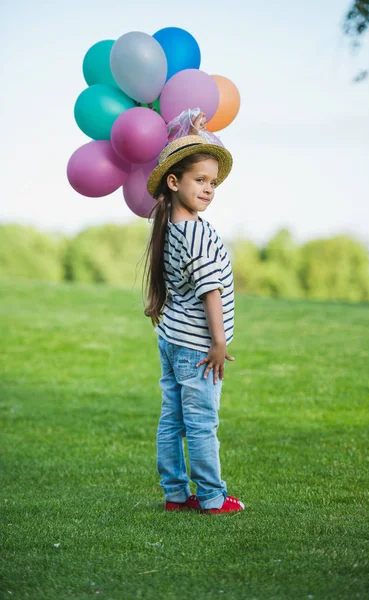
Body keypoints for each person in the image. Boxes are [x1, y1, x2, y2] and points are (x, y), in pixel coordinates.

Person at [142, 119, 245, 514]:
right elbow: (210, 290)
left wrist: (194, 131)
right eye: (199, 180)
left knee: (172, 420)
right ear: (173, 182)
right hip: (198, 346)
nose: (207, 189)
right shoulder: (197, 234)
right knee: (201, 422)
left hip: (172, 338)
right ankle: (212, 498)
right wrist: (218, 343)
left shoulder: (168, 224)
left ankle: (174, 494)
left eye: (213, 183)